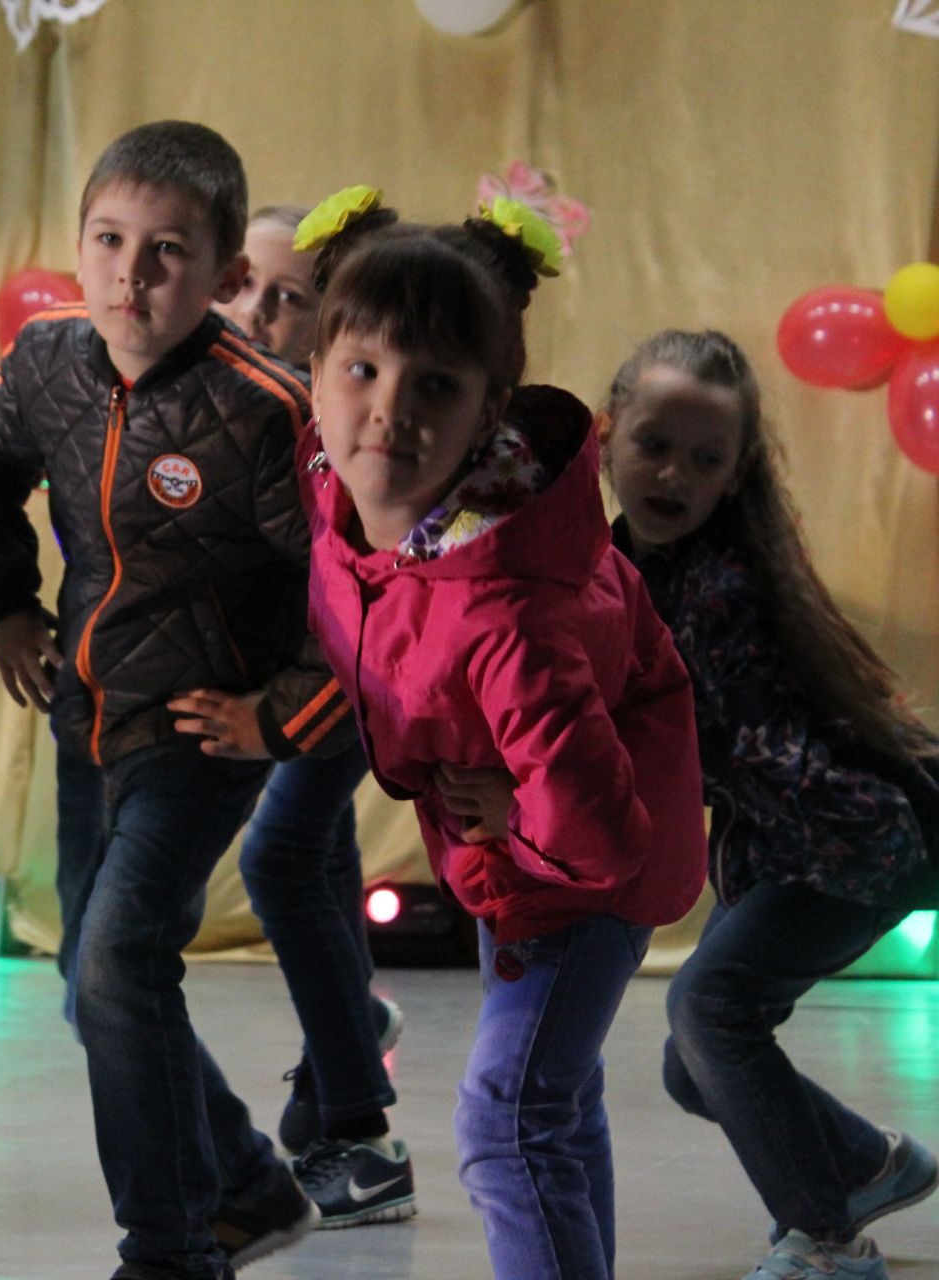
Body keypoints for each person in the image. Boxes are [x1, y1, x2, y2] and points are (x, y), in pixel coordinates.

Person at [0, 120, 358, 1280]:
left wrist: (275, 718)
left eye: (169, 251)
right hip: (90, 717)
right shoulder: (49, 360)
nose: (133, 273)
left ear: (224, 277)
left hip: (199, 732)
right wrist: (6, 607)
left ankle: (169, 1252)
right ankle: (249, 1186)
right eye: (110, 240)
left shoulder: (271, 411)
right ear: (77, 246)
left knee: (119, 964)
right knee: (93, 983)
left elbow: (363, 594)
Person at [296, 186, 707, 1279]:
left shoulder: (511, 610)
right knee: (552, 1106)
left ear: (488, 416)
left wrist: (517, 816)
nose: (388, 408)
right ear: (315, 372)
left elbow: (602, 832)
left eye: (436, 384)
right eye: (363, 369)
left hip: (583, 867)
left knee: (504, 1120)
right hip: (513, 850)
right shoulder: (346, 500)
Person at [605, 328, 939, 1280]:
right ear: (605, 436)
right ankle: (870, 1164)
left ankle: (828, 1241)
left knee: (710, 1007)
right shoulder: (622, 563)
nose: (674, 472)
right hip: (791, 851)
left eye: (706, 459)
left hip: (849, 850)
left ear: (735, 473)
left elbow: (716, 750)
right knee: (693, 1057)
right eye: (654, 445)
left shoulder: (717, 589)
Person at [209, 201, 412, 1226]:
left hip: (352, 669)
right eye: (242, 285)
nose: (257, 312)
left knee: (278, 856)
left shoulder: (335, 414)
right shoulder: (226, 403)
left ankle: (364, 1135)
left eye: (290, 300)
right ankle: (352, 1017)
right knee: (319, 851)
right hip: (292, 668)